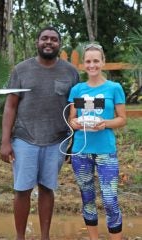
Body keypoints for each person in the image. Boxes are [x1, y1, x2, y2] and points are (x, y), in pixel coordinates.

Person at [0, 26, 80, 240]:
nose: (48, 42)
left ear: (59, 44)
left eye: (54, 39)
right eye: (44, 38)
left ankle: (45, 236)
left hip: (57, 140)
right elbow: (10, 106)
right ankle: (20, 236)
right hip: (25, 139)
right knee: (22, 190)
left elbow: (78, 107)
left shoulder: (71, 72)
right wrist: (5, 141)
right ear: (37, 42)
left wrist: (77, 140)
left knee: (47, 189)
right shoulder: (21, 70)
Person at [68, 43, 126, 240]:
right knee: (87, 198)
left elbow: (122, 119)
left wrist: (105, 123)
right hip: (81, 151)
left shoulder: (114, 88)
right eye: (88, 61)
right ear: (83, 64)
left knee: (110, 200)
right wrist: (75, 123)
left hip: (105, 151)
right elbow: (72, 119)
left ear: (103, 62)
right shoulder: (77, 89)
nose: (92, 65)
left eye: (96, 61)